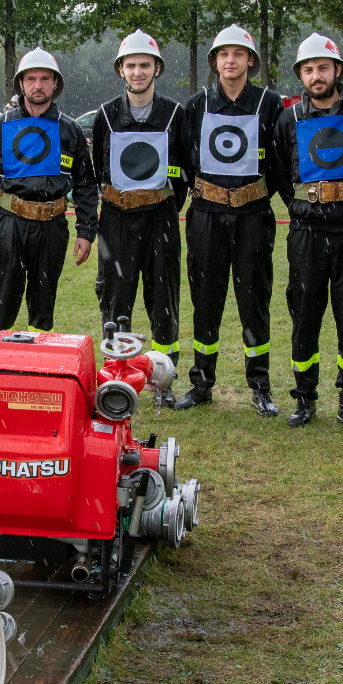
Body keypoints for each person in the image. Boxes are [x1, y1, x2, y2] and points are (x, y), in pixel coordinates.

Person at [271, 33, 343, 430]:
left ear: (337, 70)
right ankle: (304, 398)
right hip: (306, 234)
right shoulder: (289, 119)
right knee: (304, 316)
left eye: (323, 68)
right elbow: (282, 176)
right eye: (308, 69)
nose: (316, 76)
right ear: (300, 75)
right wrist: (304, 207)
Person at [177, 25, 286, 416]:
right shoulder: (196, 104)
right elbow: (182, 159)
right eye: (223, 54)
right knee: (206, 301)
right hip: (206, 216)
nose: (230, 60)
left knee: (254, 301)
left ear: (250, 60)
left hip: (253, 215)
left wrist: (251, 195)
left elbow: (281, 162)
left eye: (238, 54)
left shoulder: (271, 104)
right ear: (215, 61)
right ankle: (202, 383)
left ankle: (260, 386)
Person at [91, 30, 188, 404]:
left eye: (144, 64)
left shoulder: (175, 114)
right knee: (116, 299)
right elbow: (101, 166)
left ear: (157, 68)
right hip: (115, 220)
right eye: (130, 65)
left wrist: (162, 205)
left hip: (161, 217)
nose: (138, 72)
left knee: (163, 298)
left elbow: (182, 169)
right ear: (121, 70)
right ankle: (115, 377)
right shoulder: (104, 115)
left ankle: (162, 381)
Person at [0, 48, 98, 336]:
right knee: (3, 300)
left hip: (52, 227)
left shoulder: (70, 130)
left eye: (45, 79)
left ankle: (38, 370)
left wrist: (86, 230)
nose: (38, 85)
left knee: (43, 304)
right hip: (8, 225)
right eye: (31, 79)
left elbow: (86, 186)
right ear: (21, 84)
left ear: (55, 83)